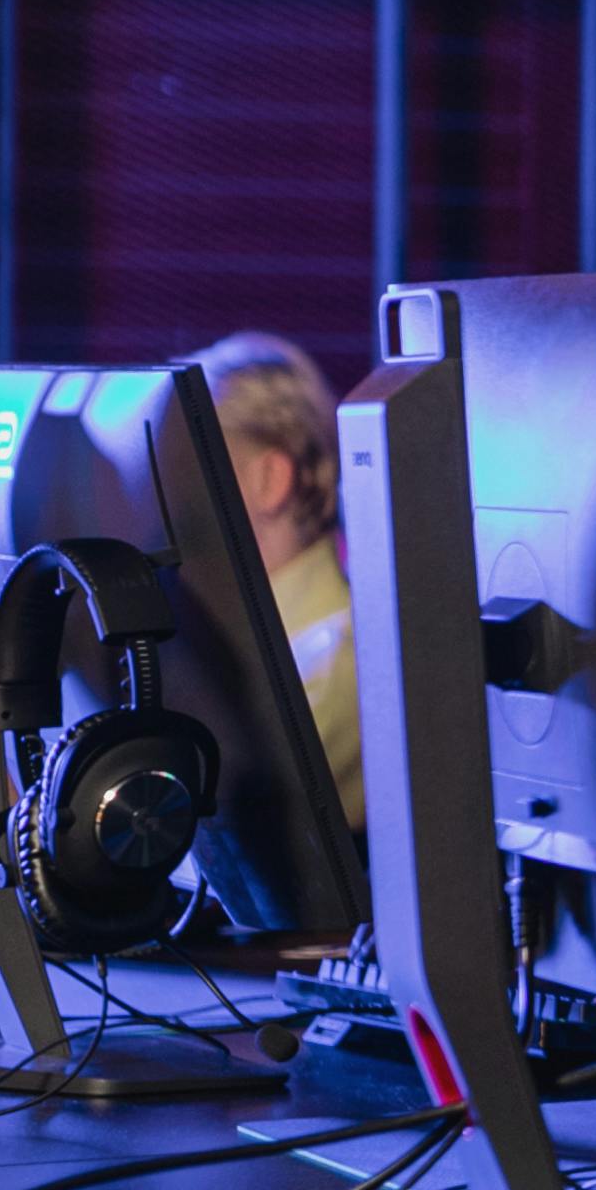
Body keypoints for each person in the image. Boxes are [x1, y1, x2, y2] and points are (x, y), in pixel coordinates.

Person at [201, 333, 362, 828]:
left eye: (189, 465)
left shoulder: (341, 662)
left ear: (268, 479)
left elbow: (209, 821)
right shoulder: (223, 636)